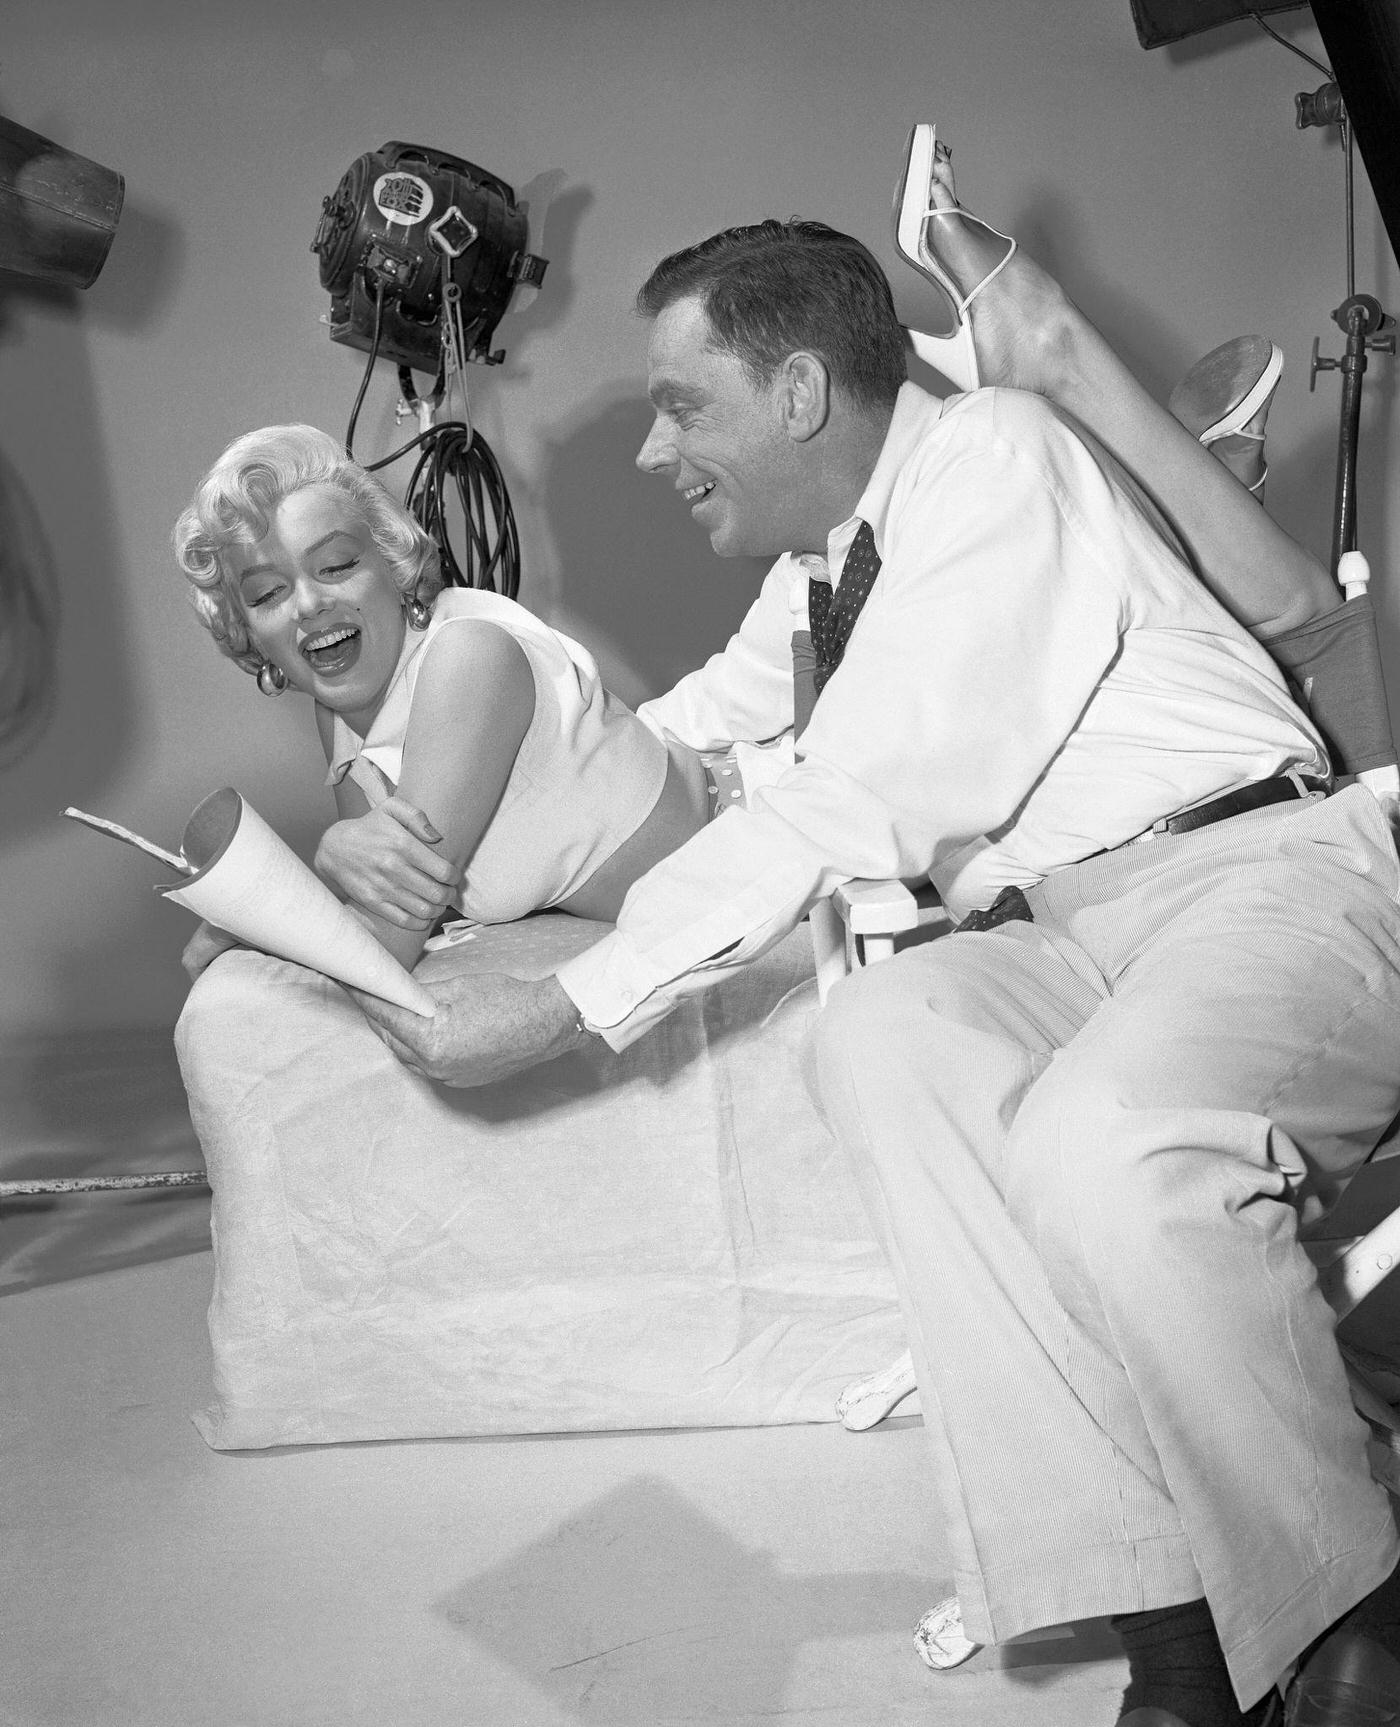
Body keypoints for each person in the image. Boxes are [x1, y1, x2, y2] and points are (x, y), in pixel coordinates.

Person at [348, 124, 1400, 1727]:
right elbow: (692, 740)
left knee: (1107, 1146)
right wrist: (411, 816)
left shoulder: (995, 460)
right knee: (888, 1034)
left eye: (679, 404)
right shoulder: (829, 567)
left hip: (1269, 878)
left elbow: (866, 787)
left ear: (798, 394)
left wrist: (570, 1006)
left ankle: (1351, 1616)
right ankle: (1174, 1625)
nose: (652, 450)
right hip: (1069, 931)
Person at [172, 424, 710, 978]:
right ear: (248, 632)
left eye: (336, 566)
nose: (308, 604)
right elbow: (382, 896)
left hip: (743, 857)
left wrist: (276, 894)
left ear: (395, 568)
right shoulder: (340, 713)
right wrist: (258, 910)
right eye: (267, 593)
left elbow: (385, 943)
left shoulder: (468, 657)